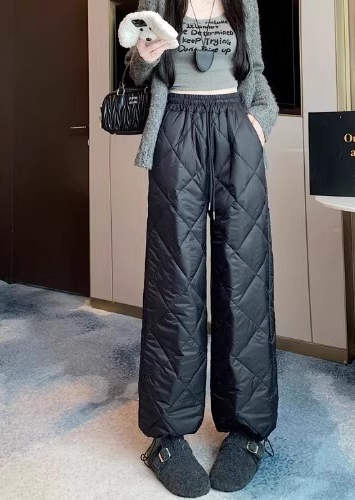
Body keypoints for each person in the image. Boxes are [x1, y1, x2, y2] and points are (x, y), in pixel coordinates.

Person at [125, 0, 279, 496]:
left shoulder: (243, 4)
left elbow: (255, 70)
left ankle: (249, 430)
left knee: (245, 281)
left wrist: (259, 123)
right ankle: (166, 438)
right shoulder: (158, 3)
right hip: (177, 130)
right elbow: (135, 74)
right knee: (175, 283)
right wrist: (145, 55)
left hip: (236, 130)